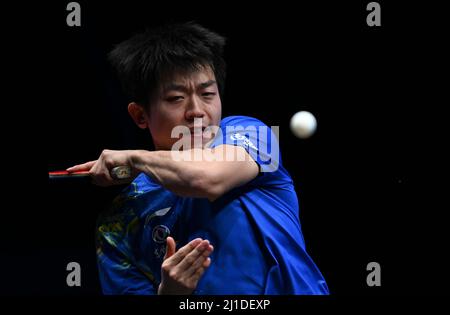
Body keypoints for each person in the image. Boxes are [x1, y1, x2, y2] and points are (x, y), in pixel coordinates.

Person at [68, 22, 329, 295]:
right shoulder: (118, 223)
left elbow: (206, 179)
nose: (196, 111)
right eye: (176, 98)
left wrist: (135, 159)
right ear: (140, 115)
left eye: (207, 94)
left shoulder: (248, 132)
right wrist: (170, 294)